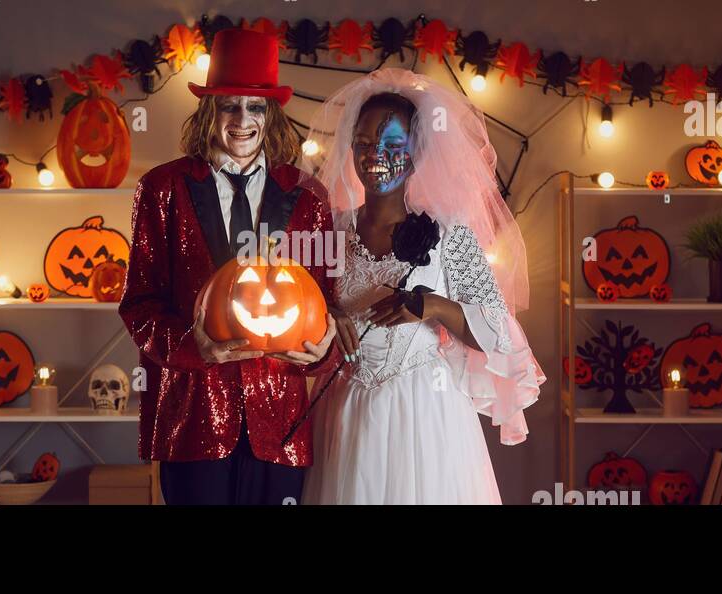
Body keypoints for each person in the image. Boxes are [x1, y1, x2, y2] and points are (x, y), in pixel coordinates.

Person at [299, 69, 546, 504]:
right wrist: (328, 314)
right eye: (365, 143)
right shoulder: (329, 232)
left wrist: (433, 306)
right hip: (346, 410)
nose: (376, 154)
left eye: (393, 144)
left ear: (416, 152)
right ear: (352, 148)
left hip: (426, 411)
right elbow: (297, 306)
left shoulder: (450, 233)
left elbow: (494, 332)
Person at [119, 29, 337, 505]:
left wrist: (323, 352)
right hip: (192, 415)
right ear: (209, 111)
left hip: (280, 419)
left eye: (255, 107)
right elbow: (137, 304)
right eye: (229, 105)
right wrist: (187, 345)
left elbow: (332, 305)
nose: (243, 120)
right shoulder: (162, 189)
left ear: (271, 115)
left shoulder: (309, 199)